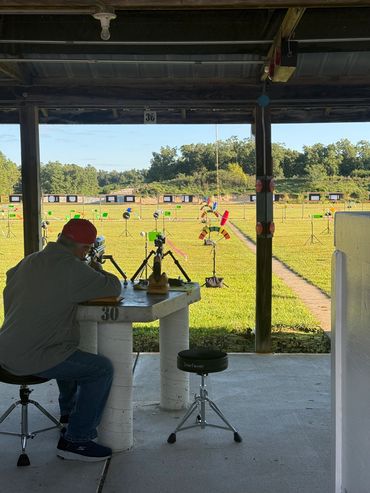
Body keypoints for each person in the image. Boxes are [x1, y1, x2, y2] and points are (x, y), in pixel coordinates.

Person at [0, 219, 122, 462]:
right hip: (31, 355)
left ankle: (68, 413)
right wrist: (95, 268)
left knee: (67, 349)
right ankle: (77, 440)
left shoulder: (30, 260)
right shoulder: (73, 268)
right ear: (84, 249)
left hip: (5, 348)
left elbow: (10, 280)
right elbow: (113, 286)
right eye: (87, 250)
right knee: (101, 369)